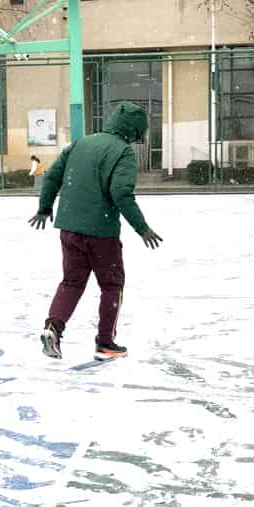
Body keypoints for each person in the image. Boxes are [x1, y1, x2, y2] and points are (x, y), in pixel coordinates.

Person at [28, 100, 162, 361]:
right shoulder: (123, 152)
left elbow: (52, 176)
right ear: (135, 130)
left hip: (69, 228)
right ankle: (105, 343)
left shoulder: (80, 143)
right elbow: (121, 193)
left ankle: (53, 327)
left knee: (71, 282)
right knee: (112, 285)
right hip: (101, 232)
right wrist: (142, 228)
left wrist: (45, 208)